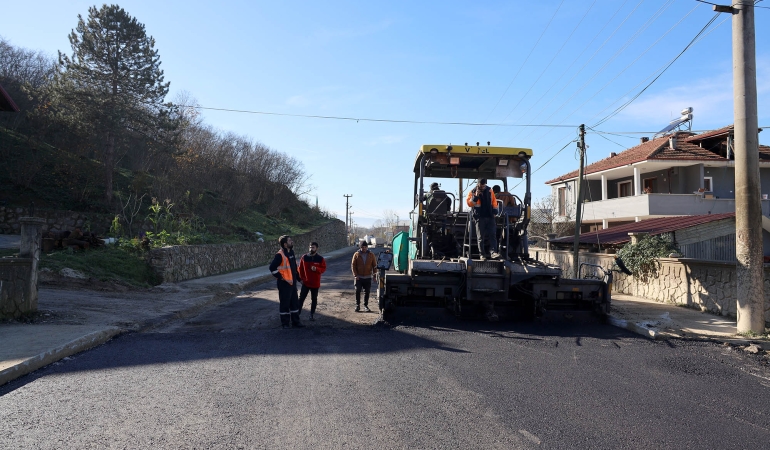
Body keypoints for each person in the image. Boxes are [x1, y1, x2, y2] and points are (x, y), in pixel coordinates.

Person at [268, 235, 305, 329]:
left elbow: (294, 268)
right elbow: (272, 268)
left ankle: (296, 322)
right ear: (285, 244)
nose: (292, 241)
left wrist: (299, 279)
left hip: (292, 283)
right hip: (284, 284)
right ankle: (285, 323)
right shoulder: (280, 255)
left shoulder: (291, 253)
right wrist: (280, 277)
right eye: (290, 241)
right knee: (285, 304)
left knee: (294, 303)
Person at [466, 178, 500, 260]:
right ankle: (482, 254)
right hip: (479, 217)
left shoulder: (490, 190)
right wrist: (475, 197)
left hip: (490, 216)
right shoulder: (472, 192)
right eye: (481, 186)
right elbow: (469, 204)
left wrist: (495, 211)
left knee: (493, 235)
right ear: (478, 184)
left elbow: (494, 201)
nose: (483, 187)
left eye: (484, 185)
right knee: (480, 237)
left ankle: (493, 252)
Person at [298, 241, 327, 321]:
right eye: (310, 247)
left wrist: (317, 269)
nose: (311, 249)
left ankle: (312, 314)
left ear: (317, 248)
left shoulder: (320, 259)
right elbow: (300, 269)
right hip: (306, 283)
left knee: (314, 299)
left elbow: (323, 268)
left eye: (313, 247)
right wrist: (301, 279)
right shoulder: (304, 257)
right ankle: (297, 314)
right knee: (301, 299)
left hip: (315, 283)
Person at [351, 241, 378, 312]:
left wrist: (375, 275)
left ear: (367, 247)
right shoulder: (356, 254)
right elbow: (353, 266)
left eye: (365, 247)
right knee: (358, 290)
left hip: (367, 277)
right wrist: (355, 275)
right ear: (360, 247)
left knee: (367, 292)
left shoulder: (371, 255)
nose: (364, 248)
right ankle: (357, 305)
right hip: (359, 277)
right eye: (362, 247)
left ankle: (366, 306)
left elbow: (374, 266)